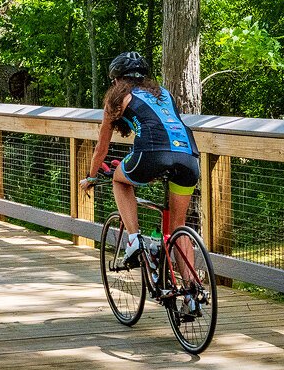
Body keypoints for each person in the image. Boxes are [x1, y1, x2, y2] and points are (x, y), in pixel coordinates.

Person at [80, 51, 200, 277]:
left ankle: (134, 240)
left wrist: (92, 176)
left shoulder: (117, 98)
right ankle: (193, 292)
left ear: (116, 80)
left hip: (152, 154)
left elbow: (102, 148)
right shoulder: (163, 93)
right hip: (188, 156)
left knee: (119, 178)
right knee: (179, 224)